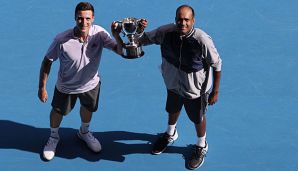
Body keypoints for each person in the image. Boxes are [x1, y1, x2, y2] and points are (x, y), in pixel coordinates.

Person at [113, 5, 222, 169]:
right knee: (172, 108)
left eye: (186, 19)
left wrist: (215, 91)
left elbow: (217, 64)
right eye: (179, 19)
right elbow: (143, 40)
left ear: (193, 21)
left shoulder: (202, 39)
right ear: (175, 19)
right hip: (172, 82)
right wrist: (139, 31)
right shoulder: (166, 32)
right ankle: (170, 133)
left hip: (196, 89)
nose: (182, 23)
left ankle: (201, 145)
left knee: (197, 117)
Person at [38, 2, 124, 161]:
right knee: (58, 111)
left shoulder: (99, 33)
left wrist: (116, 35)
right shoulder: (61, 40)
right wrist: (42, 87)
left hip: (91, 85)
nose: (84, 22)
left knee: (88, 108)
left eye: (87, 18)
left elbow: (120, 51)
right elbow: (46, 62)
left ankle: (84, 132)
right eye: (80, 18)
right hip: (66, 87)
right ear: (75, 18)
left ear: (93, 18)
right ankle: (53, 137)